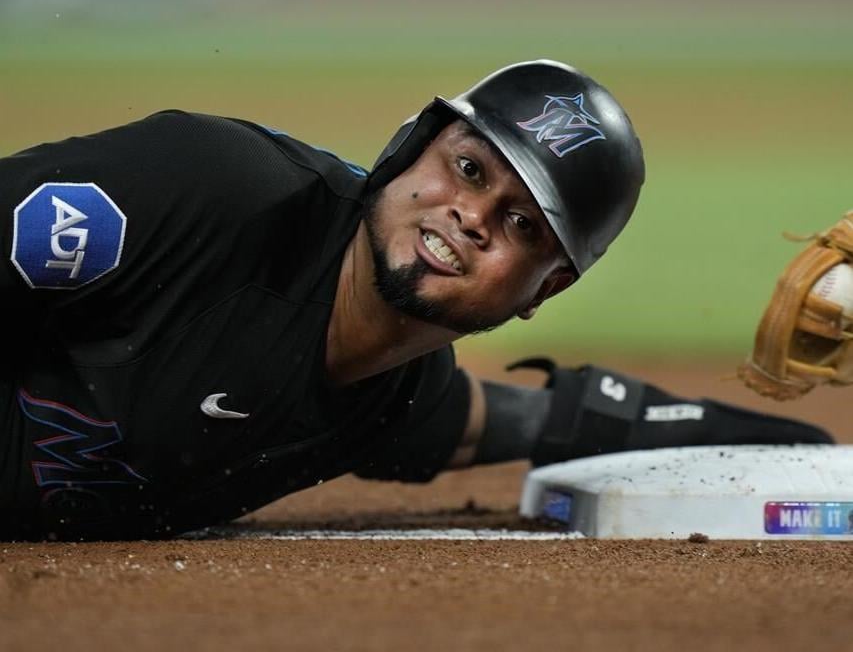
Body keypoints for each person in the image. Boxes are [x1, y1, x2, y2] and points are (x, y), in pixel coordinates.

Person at [0, 59, 831, 540]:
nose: (469, 216)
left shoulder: (395, 397)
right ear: (407, 148)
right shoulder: (209, 192)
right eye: (468, 169)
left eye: (520, 224)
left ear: (548, 287)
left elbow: (537, 421)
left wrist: (783, 445)